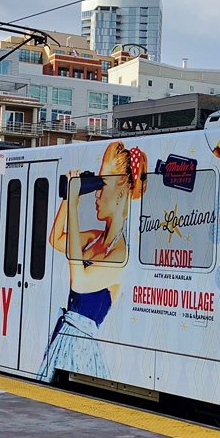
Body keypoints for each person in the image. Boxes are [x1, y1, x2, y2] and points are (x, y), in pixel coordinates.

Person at [37, 141, 144, 379]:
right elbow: (55, 240)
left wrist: (75, 206)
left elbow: (79, 282)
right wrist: (67, 198)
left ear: (120, 193)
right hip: (64, 337)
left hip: (81, 347)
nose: (95, 194)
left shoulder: (120, 254)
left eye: (101, 185)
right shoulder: (96, 239)